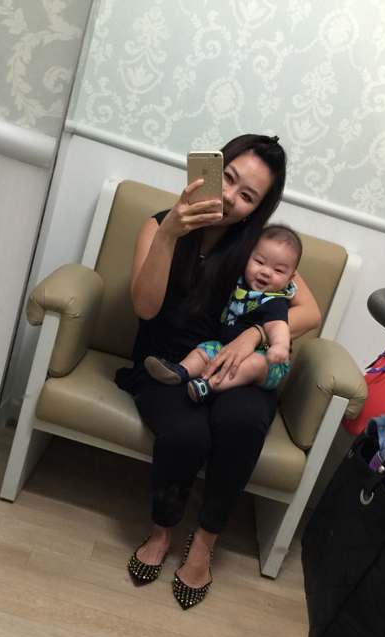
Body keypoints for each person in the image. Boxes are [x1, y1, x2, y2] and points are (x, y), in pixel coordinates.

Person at [114, 134, 321, 609]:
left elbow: (309, 310)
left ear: (257, 210)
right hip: (168, 364)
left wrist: (254, 335)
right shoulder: (159, 225)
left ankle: (204, 542)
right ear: (210, 170)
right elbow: (145, 308)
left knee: (243, 422)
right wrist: (170, 234)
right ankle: (163, 531)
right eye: (227, 178)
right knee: (187, 434)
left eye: (247, 195)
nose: (229, 197)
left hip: (233, 363)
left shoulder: (255, 249)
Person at [144, 224, 301, 403]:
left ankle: (208, 386)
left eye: (278, 270)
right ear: (247, 258)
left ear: (290, 278)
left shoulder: (274, 300)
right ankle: (180, 371)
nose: (265, 272)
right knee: (203, 350)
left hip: (267, 360)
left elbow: (278, 325)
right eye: (259, 262)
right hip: (226, 348)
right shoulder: (241, 283)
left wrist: (279, 346)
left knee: (253, 365)